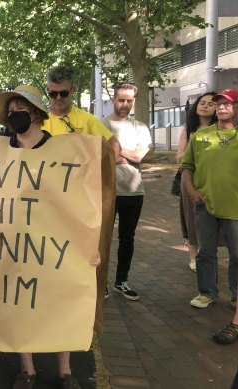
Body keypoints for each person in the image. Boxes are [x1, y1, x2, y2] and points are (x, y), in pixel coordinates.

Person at [0, 85, 100, 389]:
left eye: (20, 110)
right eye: (10, 111)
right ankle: (28, 370)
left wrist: (90, 243)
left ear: (37, 114)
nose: (14, 115)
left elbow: (79, 203)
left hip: (51, 245)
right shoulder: (1, 152)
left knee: (57, 304)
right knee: (18, 304)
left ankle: (65, 371)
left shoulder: (63, 152)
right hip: (14, 245)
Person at [180, 89, 238, 343]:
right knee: (206, 252)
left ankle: (236, 297)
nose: (220, 108)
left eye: (227, 104)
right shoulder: (201, 136)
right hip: (205, 206)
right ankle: (207, 292)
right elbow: (187, 167)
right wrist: (193, 192)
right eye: (218, 104)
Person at [100, 84, 152, 301]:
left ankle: (121, 281)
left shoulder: (140, 126)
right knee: (102, 239)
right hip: (106, 190)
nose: (125, 105)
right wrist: (123, 154)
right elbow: (99, 155)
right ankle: (100, 282)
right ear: (113, 99)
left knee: (127, 239)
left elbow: (141, 157)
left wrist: (117, 154)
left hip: (133, 192)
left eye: (129, 101)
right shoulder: (100, 124)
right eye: (121, 100)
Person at [176, 92, 217, 271]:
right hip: (190, 181)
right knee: (191, 219)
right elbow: (180, 157)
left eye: (210, 103)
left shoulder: (220, 131)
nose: (205, 105)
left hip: (214, 182)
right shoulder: (189, 130)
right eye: (202, 102)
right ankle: (193, 257)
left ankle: (210, 255)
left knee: (215, 220)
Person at [42, 65, 120, 158]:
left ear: (73, 90)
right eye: (53, 94)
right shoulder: (39, 123)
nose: (58, 98)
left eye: (63, 93)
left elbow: (115, 147)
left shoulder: (88, 120)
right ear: (48, 90)